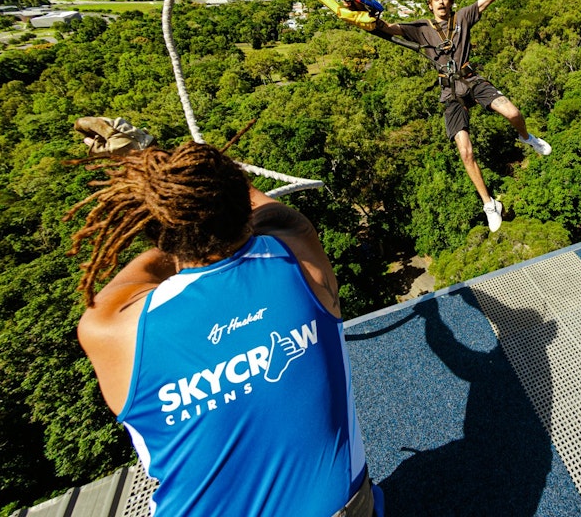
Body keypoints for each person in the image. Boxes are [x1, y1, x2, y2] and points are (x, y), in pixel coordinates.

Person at [66, 130, 379, 517]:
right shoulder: (297, 255)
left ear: (157, 229)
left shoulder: (110, 330)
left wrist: (148, 176)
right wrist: (159, 161)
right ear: (240, 209)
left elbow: (139, 276)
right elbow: (267, 211)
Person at [372, 0, 551, 232]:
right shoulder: (420, 28)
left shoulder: (463, 18)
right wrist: (366, 16)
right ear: (430, 4)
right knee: (465, 152)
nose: (441, 2)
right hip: (450, 92)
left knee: (513, 111)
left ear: (451, 2)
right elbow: (388, 28)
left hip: (471, 79)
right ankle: (490, 204)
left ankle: (526, 137)